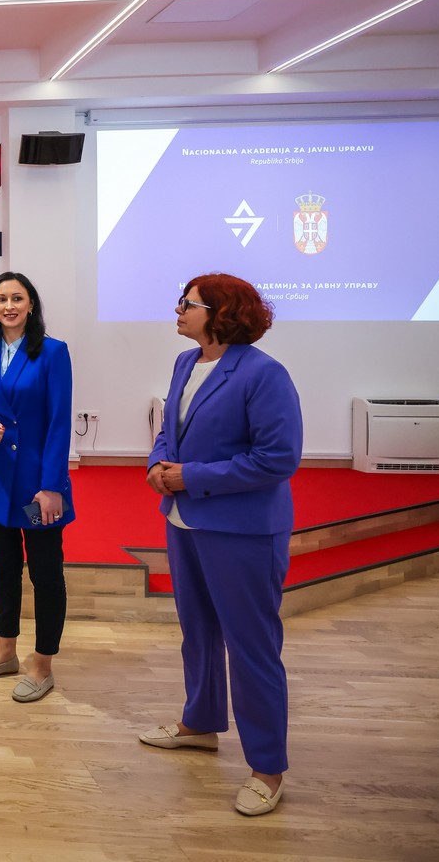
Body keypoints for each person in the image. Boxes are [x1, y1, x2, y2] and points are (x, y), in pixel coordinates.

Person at [138, 273, 302, 818]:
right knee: (199, 632)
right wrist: (157, 464)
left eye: (188, 303)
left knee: (252, 647)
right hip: (185, 521)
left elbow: (277, 459)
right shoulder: (186, 363)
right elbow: (170, 431)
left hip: (243, 530)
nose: (178, 310)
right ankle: (200, 723)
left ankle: (267, 769)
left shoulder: (263, 373)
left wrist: (192, 476)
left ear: (221, 313)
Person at [0, 271, 74, 703]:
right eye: (1, 299)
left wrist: (52, 487)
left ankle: (42, 665)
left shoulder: (53, 352)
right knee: (4, 568)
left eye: (17, 298)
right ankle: (5, 652)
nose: (8, 306)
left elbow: (59, 422)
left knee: (45, 574)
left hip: (35, 488)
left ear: (31, 305)